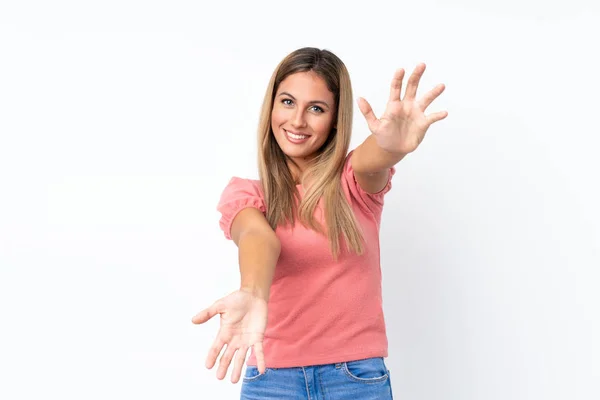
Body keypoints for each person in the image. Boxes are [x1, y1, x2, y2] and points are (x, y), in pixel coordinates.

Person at [192, 47, 447, 399]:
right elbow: (258, 237)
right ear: (270, 108)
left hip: (354, 379)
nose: (297, 121)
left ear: (336, 121)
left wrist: (391, 147)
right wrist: (252, 292)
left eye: (316, 108)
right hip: (271, 381)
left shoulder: (352, 182)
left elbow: (375, 158)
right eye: (287, 102)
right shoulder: (248, 195)